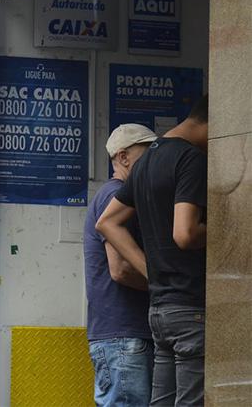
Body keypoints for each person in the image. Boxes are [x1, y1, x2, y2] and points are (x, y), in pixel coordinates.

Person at [97, 96, 208, 406]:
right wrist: (228, 231)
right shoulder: (191, 159)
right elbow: (185, 234)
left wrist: (153, 272)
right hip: (190, 308)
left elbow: (108, 223)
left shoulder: (146, 162)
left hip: (159, 311)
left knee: (162, 401)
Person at [84, 124, 156, 406]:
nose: (153, 160)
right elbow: (121, 269)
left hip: (120, 336)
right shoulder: (116, 196)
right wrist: (165, 287)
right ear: (123, 157)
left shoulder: (114, 195)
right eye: (147, 153)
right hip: (125, 336)